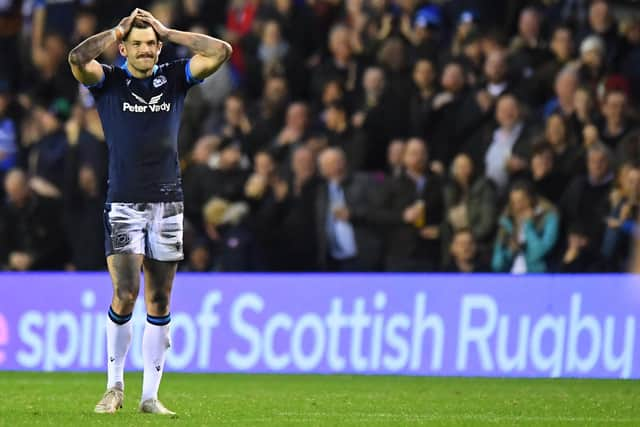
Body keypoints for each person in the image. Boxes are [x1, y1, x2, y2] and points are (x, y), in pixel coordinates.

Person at [67, 8, 231, 415]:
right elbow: (76, 60)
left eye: (151, 44)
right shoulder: (110, 81)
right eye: (137, 44)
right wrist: (116, 30)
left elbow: (221, 51)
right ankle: (114, 387)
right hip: (123, 201)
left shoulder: (174, 76)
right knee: (126, 293)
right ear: (123, 48)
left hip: (168, 202)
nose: (146, 50)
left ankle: (149, 397)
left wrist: (169, 31)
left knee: (159, 298)